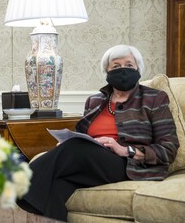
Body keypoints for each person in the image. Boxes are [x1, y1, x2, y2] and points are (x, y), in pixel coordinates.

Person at [16, 44, 179, 221]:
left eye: (129, 65)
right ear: (106, 72)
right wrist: (65, 144)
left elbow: (168, 149)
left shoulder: (154, 98)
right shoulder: (94, 101)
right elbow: (81, 136)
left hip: (128, 165)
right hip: (92, 163)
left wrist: (125, 150)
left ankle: (16, 185)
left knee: (73, 148)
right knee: (56, 186)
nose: (123, 70)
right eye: (116, 66)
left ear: (138, 69)